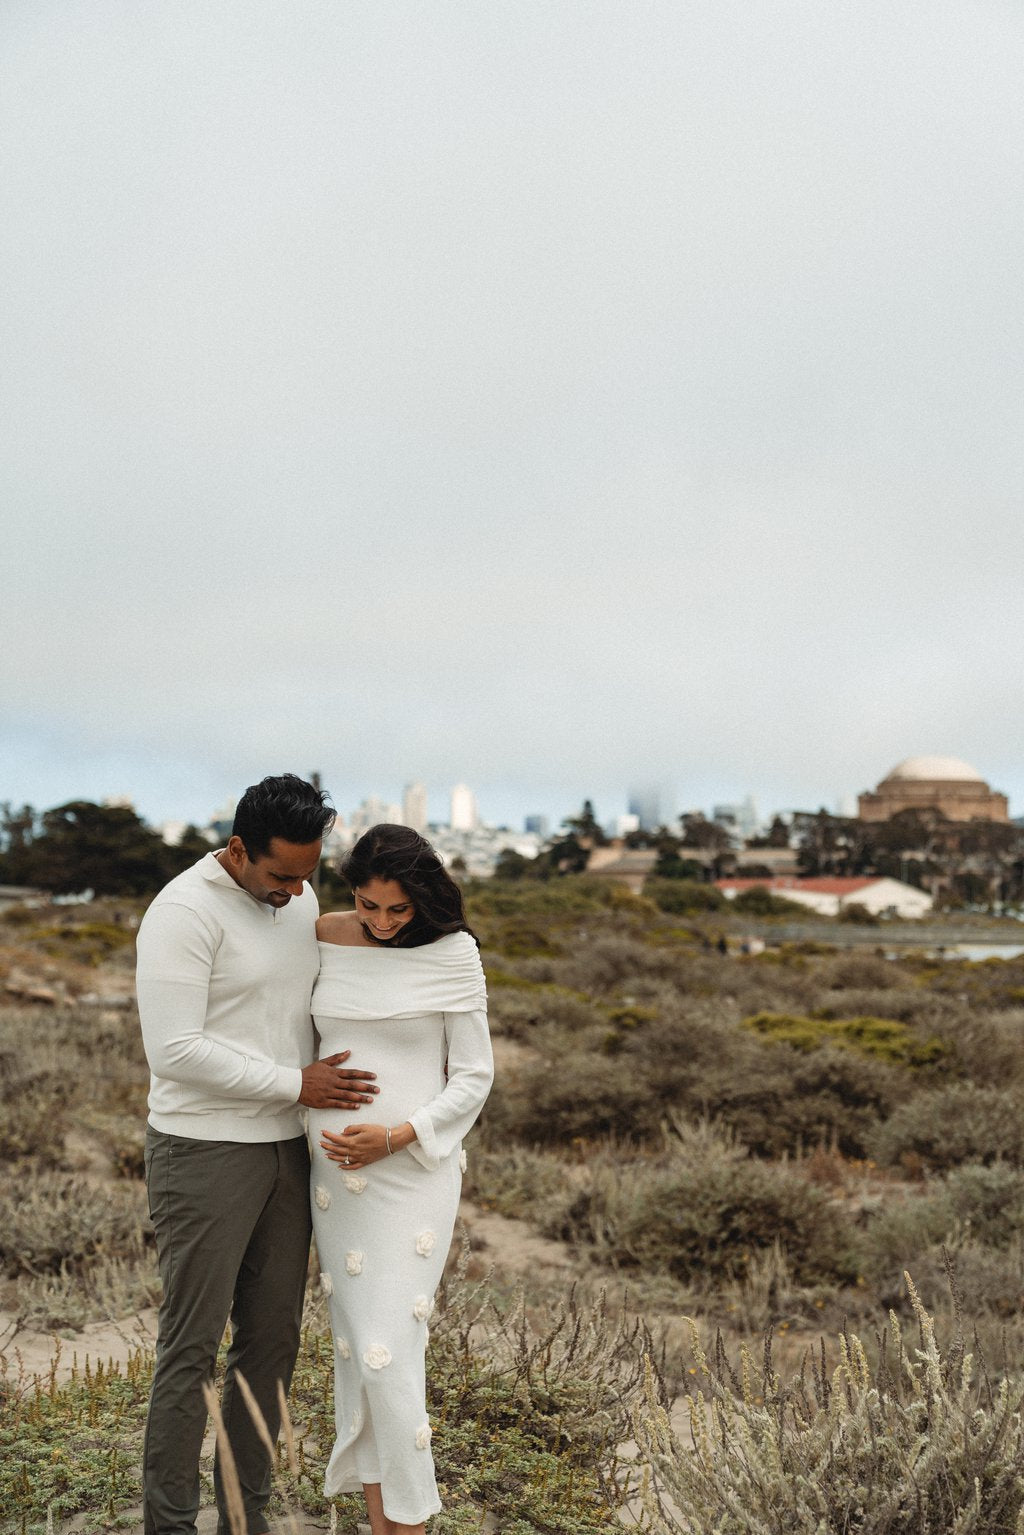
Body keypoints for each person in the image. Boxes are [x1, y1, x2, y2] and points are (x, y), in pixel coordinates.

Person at [136, 774, 379, 1535]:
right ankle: (169, 1525)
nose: (294, 893)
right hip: (202, 1149)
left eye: (307, 875)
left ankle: (246, 1517)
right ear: (237, 849)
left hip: (288, 1151)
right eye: (280, 876)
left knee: (272, 1343)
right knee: (191, 1347)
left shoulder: (299, 895)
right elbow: (173, 1050)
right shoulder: (182, 912)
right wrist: (296, 1083)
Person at [309, 823, 493, 1535]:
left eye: (398, 908)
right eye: (368, 905)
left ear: (424, 896)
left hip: (412, 1172)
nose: (382, 922)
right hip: (334, 1178)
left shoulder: (454, 951)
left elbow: (474, 1074)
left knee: (387, 1352)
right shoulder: (322, 934)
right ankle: (380, 1524)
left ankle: (412, 1523)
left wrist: (397, 1134)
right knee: (359, 1353)